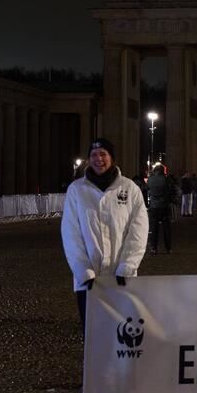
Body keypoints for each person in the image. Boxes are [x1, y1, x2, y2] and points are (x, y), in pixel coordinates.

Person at [61, 138, 148, 338]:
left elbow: (138, 231)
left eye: (103, 154)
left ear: (112, 158)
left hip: (122, 277)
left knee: (122, 337)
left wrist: (128, 265)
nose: (98, 159)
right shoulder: (76, 190)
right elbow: (71, 233)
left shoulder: (130, 189)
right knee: (93, 338)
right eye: (93, 155)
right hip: (88, 280)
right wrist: (83, 270)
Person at [146, 164, 174, 253]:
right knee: (166, 228)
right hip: (164, 205)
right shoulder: (166, 179)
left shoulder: (150, 179)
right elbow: (171, 190)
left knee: (154, 228)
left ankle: (153, 248)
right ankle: (168, 248)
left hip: (154, 206)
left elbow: (147, 189)